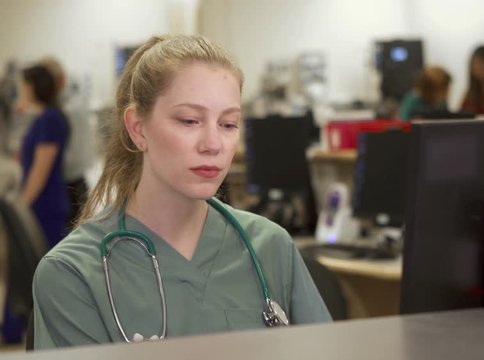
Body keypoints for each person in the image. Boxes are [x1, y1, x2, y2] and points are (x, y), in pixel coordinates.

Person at [32, 34, 331, 349]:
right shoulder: (72, 274)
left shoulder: (270, 247)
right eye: (190, 121)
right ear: (137, 128)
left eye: (228, 124)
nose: (213, 144)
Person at [39, 57, 94, 229]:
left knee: (72, 236)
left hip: (71, 184)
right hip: (72, 182)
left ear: (59, 81)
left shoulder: (67, 110)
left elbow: (68, 154)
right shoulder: (63, 106)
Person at [19, 65, 70, 249]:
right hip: (42, 202)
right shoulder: (44, 117)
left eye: (23, 85)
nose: (21, 90)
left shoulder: (49, 119)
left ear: (32, 87)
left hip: (46, 204)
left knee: (45, 262)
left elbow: (40, 172)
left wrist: (22, 207)